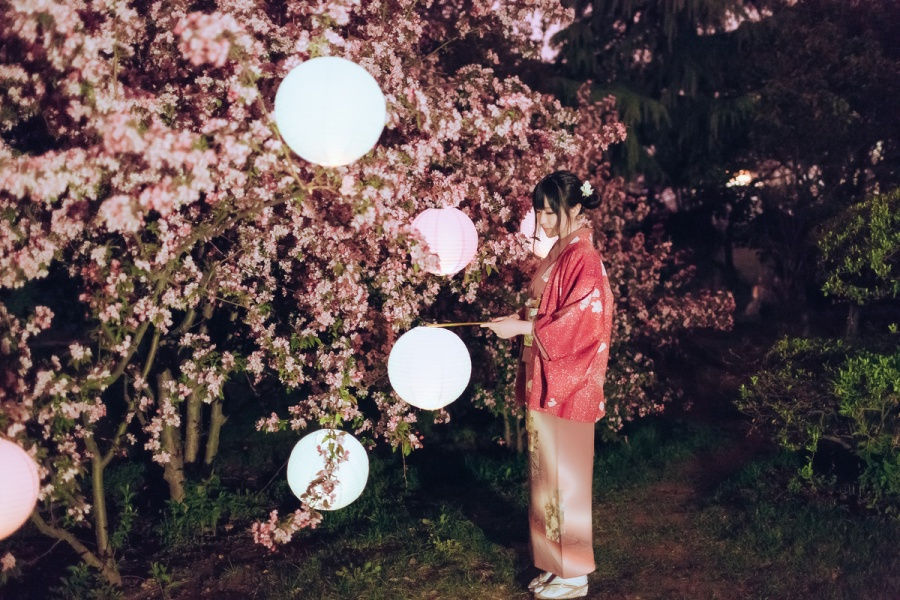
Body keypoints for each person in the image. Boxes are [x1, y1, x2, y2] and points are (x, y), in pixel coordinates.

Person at [481, 170, 614, 599]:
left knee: (566, 477)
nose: (543, 220)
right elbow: (546, 311)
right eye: (539, 211)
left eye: (551, 212)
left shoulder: (584, 257)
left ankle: (574, 575)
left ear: (576, 208)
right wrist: (517, 321)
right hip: (547, 373)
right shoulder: (561, 252)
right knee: (546, 476)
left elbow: (581, 322)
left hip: (571, 382)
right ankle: (555, 566)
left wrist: (522, 327)